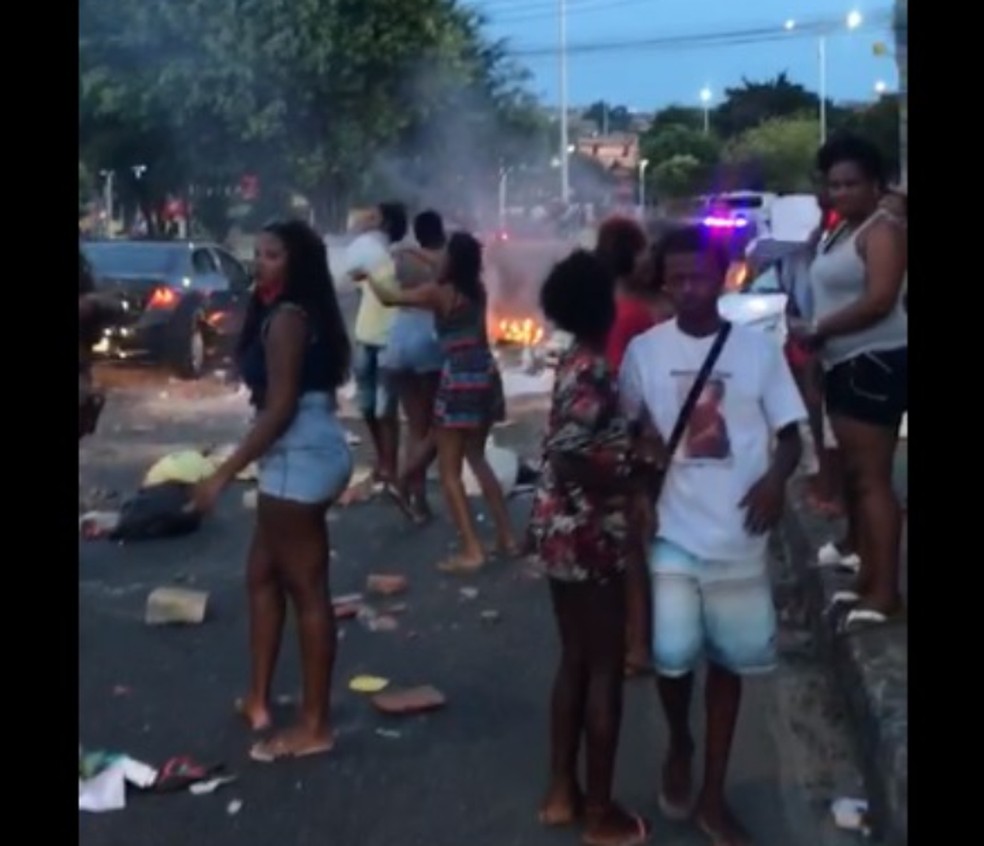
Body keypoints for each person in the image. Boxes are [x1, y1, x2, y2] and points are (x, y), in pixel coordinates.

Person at [619, 225, 806, 846]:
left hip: (740, 533)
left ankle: (713, 793)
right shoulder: (644, 352)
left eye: (698, 276)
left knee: (728, 664)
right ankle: (680, 741)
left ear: (724, 277)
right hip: (672, 529)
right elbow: (626, 433)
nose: (687, 289)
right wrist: (639, 470)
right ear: (662, 281)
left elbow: (789, 435)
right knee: (672, 661)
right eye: (675, 279)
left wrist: (778, 481)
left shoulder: (757, 352)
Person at [193, 220, 353, 761]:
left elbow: (280, 407)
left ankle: (316, 724)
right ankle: (259, 699)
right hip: (303, 450)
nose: (260, 262)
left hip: (297, 457)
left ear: (296, 263)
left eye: (272, 255)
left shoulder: (287, 319)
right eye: (258, 253)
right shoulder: (288, 313)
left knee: (306, 588)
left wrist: (223, 472)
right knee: (262, 574)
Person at [528, 250, 651, 846]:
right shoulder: (594, 371)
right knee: (604, 666)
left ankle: (560, 791)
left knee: (574, 659)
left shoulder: (572, 361)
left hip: (557, 527)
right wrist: (632, 481)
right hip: (589, 530)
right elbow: (573, 453)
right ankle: (601, 812)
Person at [802, 134, 907, 628]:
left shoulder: (882, 230)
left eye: (851, 183)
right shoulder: (843, 231)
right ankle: (867, 584)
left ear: (874, 184)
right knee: (857, 480)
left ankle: (885, 594)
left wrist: (821, 328)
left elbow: (881, 299)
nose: (840, 192)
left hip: (873, 364)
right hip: (845, 364)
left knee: (872, 483)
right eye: (834, 184)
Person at [365, 232, 518, 571]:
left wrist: (368, 277)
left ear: (453, 260)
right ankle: (507, 537)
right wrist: (417, 252)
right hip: (485, 373)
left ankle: (471, 549)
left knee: (449, 472)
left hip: (458, 377)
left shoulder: (438, 293)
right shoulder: (475, 289)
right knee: (477, 458)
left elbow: (391, 298)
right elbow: (444, 262)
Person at [593, 216, 664, 680]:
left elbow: (618, 383)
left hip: (635, 437)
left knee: (633, 547)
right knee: (644, 540)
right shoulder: (641, 308)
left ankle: (638, 644)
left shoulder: (622, 311)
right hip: (651, 435)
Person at [381, 210, 447, 523]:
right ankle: (408, 482)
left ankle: (415, 499)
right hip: (429, 340)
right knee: (438, 423)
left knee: (414, 423)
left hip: (398, 337)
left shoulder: (403, 257)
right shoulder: (442, 260)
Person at [347, 203, 405, 488]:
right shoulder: (367, 251)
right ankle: (383, 460)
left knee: (385, 410)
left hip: (387, 340)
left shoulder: (397, 257)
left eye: (375, 217)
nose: (367, 220)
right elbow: (352, 280)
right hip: (365, 336)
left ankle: (390, 466)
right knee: (368, 407)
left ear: (387, 224)